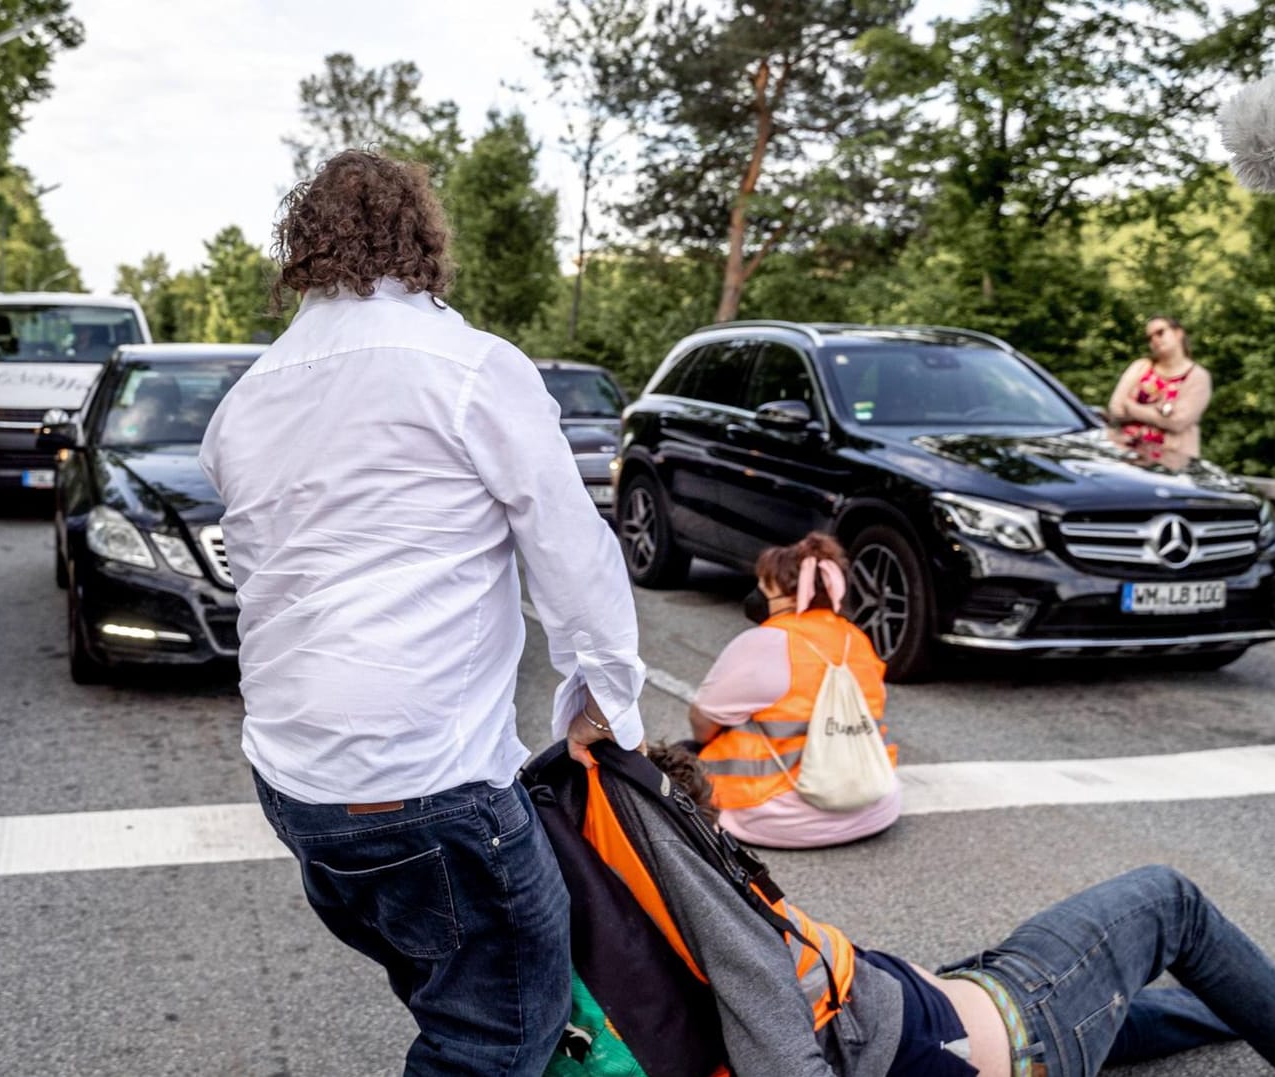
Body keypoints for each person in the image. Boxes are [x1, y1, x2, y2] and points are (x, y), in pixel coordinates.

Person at [197, 149, 646, 1076]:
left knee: (457, 990)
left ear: (303, 252)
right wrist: (605, 697)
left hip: (296, 786)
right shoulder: (470, 368)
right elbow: (569, 547)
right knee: (495, 1033)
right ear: (424, 243)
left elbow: (262, 575)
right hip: (424, 781)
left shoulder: (243, 405)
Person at [621, 742, 1271, 1077]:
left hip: (983, 1009)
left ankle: (1237, 1003)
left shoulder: (649, 963)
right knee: (1168, 899)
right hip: (1025, 1024)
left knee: (1116, 996)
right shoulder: (732, 941)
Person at [691, 532, 900, 848]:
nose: (756, 597)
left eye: (764, 589)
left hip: (780, 817)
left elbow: (703, 721)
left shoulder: (767, 642)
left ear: (790, 596)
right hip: (874, 807)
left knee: (684, 752)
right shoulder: (856, 640)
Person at [1108, 315, 1212, 460]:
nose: (1154, 340)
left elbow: (1177, 422)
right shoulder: (1141, 366)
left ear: (1178, 333)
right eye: (1149, 338)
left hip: (1171, 463)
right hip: (1126, 455)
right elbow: (1116, 408)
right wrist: (1160, 412)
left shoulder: (1198, 376)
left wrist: (1131, 408)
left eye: (1160, 332)